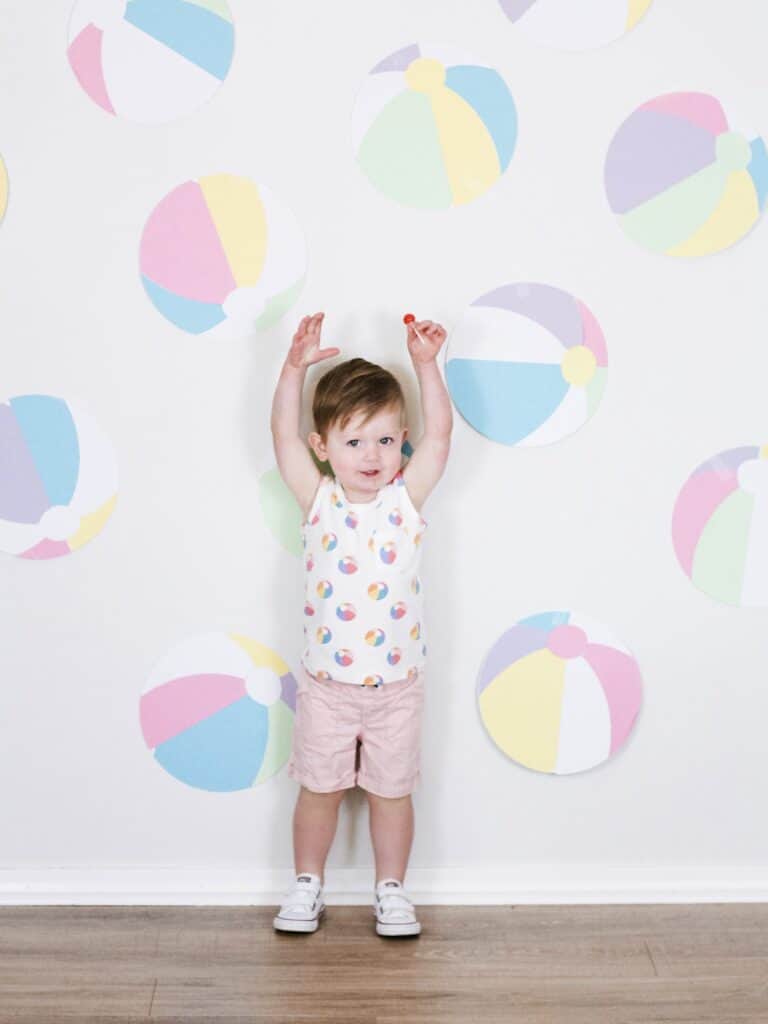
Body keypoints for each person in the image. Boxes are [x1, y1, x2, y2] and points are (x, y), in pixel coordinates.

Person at [269, 311, 452, 937]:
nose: (370, 455)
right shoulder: (318, 499)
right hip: (327, 686)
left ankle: (392, 890)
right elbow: (283, 440)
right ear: (324, 449)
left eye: (383, 440)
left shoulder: (405, 501)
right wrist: (294, 368)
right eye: (352, 442)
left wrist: (426, 366)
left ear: (401, 439)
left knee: (391, 794)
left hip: (397, 687)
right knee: (317, 791)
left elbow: (440, 441)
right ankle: (306, 885)